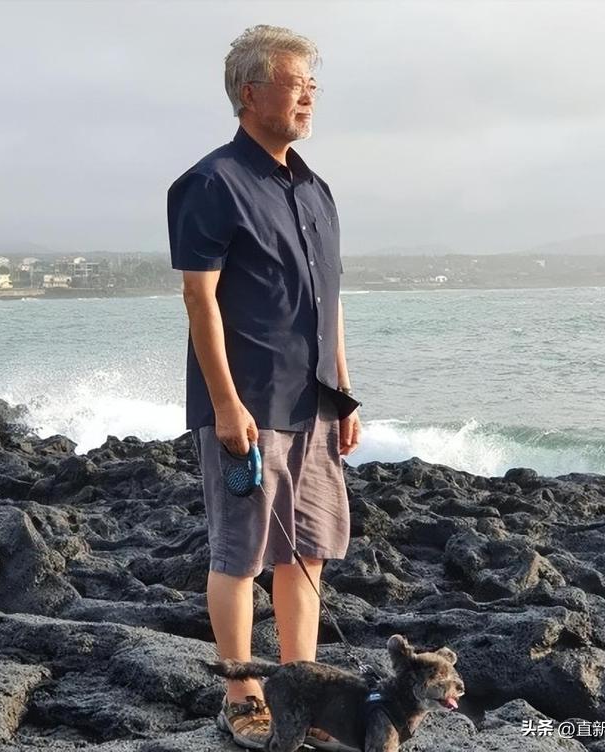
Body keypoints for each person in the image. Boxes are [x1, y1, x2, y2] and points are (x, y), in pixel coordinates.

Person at [167, 24, 361, 751]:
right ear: (250, 94)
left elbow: (328, 301)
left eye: (313, 85)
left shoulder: (315, 189)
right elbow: (200, 298)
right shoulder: (212, 183)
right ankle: (243, 695)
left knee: (305, 552)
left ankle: (300, 692)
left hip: (314, 404)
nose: (308, 96)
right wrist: (224, 404)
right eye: (294, 84)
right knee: (240, 557)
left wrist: (343, 392)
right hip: (247, 406)